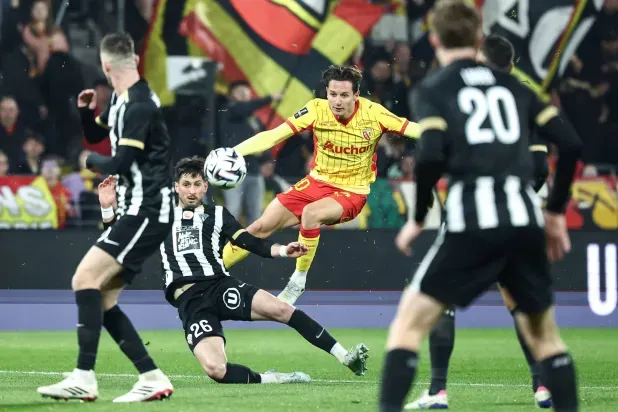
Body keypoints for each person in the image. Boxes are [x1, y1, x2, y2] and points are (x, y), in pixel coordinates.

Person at [377, 2, 582, 412]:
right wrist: (556, 213)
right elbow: (572, 144)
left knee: (407, 326)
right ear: (478, 39)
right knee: (546, 338)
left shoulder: (433, 89)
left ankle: (429, 393)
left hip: (472, 220)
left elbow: (430, 155)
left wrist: (418, 217)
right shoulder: (516, 87)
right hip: (524, 220)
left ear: (434, 40)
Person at [98, 156, 369, 384]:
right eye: (186, 184)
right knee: (216, 370)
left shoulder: (218, 214)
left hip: (220, 285)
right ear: (176, 187)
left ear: (206, 186)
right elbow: (120, 240)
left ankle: (346, 357)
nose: (192, 191)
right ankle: (273, 379)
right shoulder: (159, 216)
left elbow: (249, 242)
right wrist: (106, 207)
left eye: (197, 184)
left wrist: (283, 250)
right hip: (191, 301)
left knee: (282, 309)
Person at [406, 34, 552, 410]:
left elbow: (432, 156)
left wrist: (420, 211)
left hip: (468, 213)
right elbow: (541, 166)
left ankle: (437, 391)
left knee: (439, 300)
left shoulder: (456, 94)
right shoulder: (521, 97)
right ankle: (542, 385)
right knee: (521, 303)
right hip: (515, 215)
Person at [37, 32, 175, 403]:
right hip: (139, 209)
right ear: (133, 60)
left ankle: (84, 377)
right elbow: (98, 132)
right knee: (102, 298)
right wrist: (86, 112)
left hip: (148, 209)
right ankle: (151, 376)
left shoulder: (139, 105)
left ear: (105, 65)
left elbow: (119, 162)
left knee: (83, 279)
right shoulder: (120, 99)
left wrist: (89, 160)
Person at [222, 64, 420, 305]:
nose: (337, 101)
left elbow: (414, 129)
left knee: (310, 214)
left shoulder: (374, 113)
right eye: (332, 94)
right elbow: (274, 135)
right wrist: (233, 152)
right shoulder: (316, 109)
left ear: (356, 95)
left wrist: (447, 133)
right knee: (259, 227)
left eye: (344, 95)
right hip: (315, 183)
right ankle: (207, 270)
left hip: (352, 191)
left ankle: (297, 281)